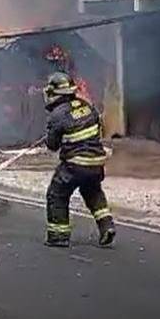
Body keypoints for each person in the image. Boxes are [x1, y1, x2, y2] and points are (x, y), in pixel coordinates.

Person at [42, 72, 116, 248]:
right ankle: (107, 226)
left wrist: (50, 134)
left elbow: (52, 145)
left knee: (57, 194)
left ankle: (58, 236)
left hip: (75, 165)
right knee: (93, 192)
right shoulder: (87, 106)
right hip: (96, 163)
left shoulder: (57, 115)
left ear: (55, 93)